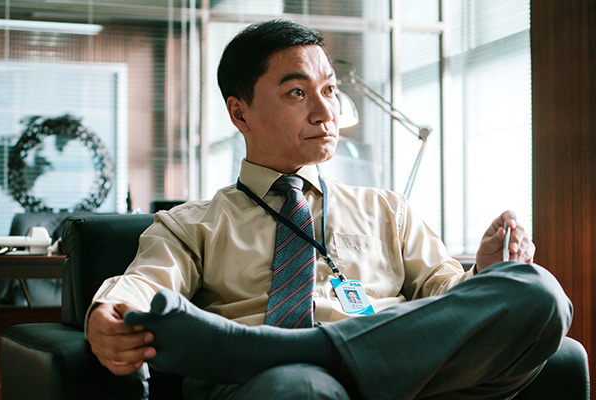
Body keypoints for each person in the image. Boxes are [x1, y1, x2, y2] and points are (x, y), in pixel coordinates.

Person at [86, 19, 572, 400]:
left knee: (540, 291)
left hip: (404, 376)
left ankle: (275, 349)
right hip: (272, 389)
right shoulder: (193, 224)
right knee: (301, 385)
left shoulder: (389, 210)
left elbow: (449, 305)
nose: (326, 113)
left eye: (330, 90)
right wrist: (105, 313)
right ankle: (292, 360)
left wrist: (485, 272)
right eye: (297, 93)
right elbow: (144, 283)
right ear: (239, 112)